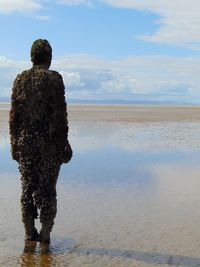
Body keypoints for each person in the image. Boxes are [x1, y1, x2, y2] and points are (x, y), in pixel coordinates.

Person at [9, 39, 72, 243]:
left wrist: (14, 145)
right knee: (47, 189)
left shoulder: (20, 79)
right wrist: (64, 145)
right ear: (49, 57)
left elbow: (14, 117)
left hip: (26, 143)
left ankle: (29, 232)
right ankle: (45, 235)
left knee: (27, 188)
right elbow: (60, 117)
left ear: (32, 56)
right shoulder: (54, 79)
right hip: (49, 143)